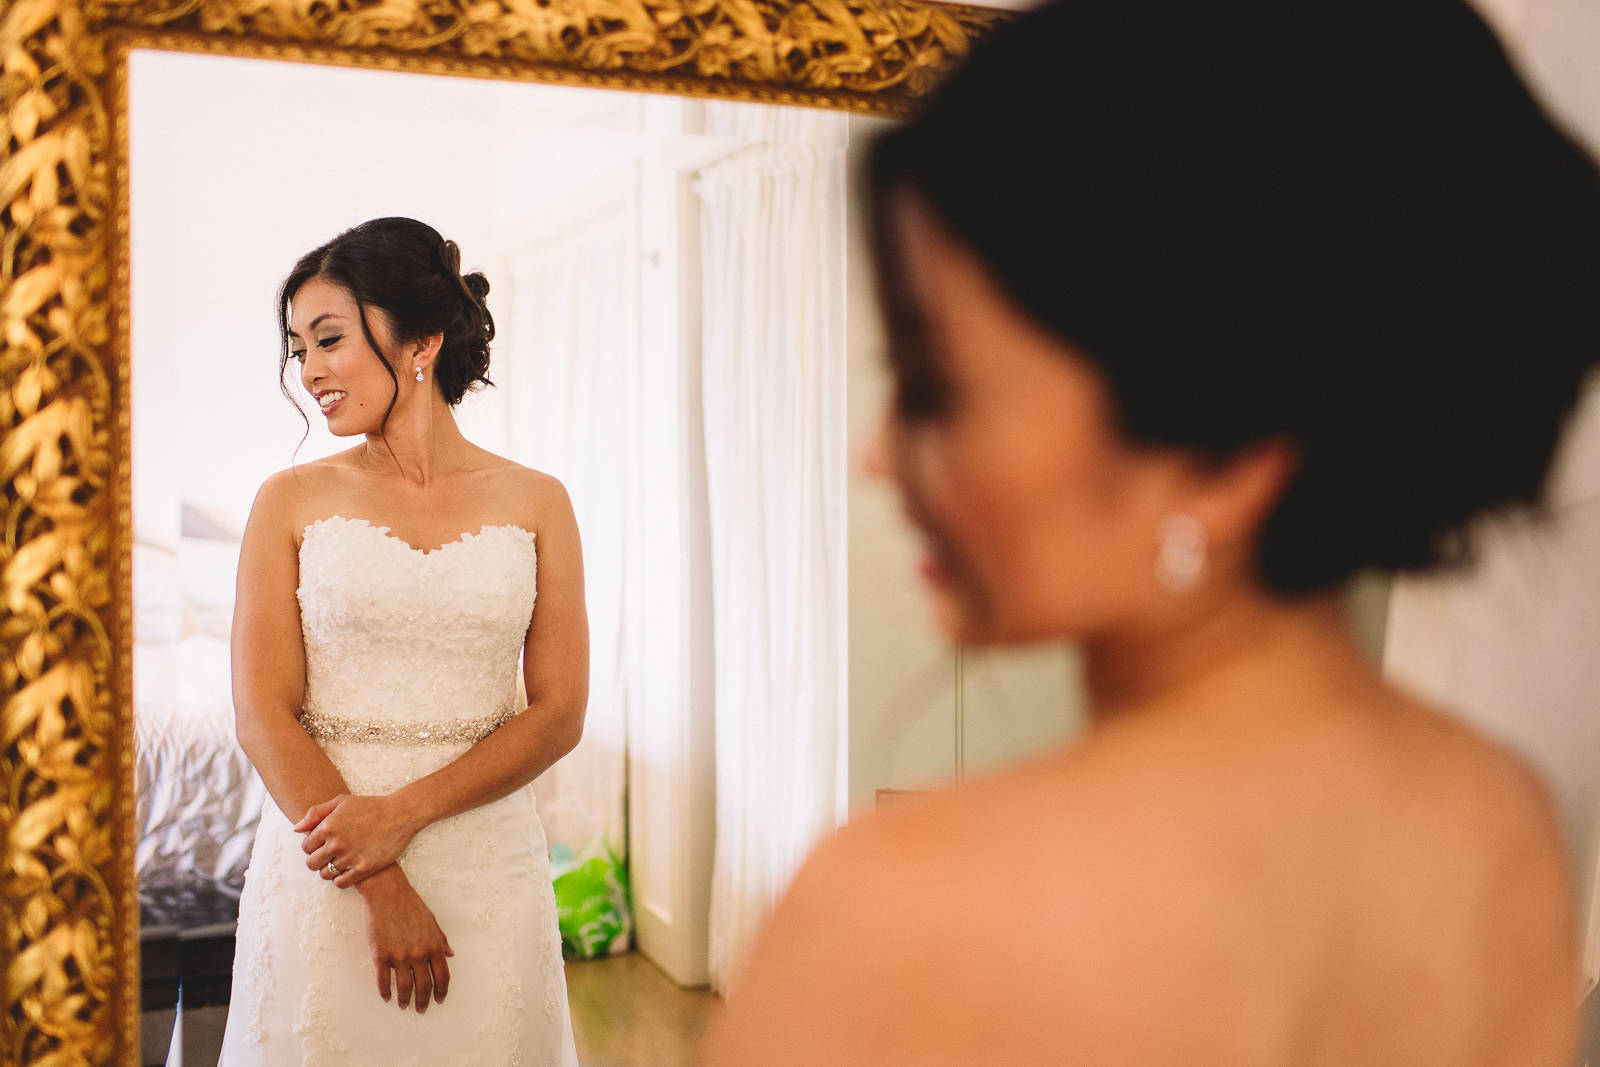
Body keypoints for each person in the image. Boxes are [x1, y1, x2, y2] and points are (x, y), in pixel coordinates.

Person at [703, 0, 1600, 1062]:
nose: (876, 453)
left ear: (1220, 460)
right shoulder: (1498, 823)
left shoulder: (905, 905)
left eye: (934, 385)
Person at [218, 217, 587, 1064]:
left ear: (419, 341)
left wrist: (402, 816)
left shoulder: (538, 501)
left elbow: (561, 710)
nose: (308, 370)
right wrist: (379, 878)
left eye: (330, 339)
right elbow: (262, 713)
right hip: (329, 867)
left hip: (488, 865)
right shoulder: (288, 500)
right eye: (297, 348)